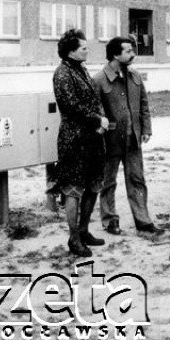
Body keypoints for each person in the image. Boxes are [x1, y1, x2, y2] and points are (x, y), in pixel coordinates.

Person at [93, 36, 162, 236]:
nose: (133, 54)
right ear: (116, 54)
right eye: (128, 51)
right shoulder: (99, 79)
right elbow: (97, 112)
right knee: (108, 181)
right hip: (110, 141)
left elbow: (144, 105)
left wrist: (146, 129)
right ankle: (110, 220)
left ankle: (143, 220)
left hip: (133, 140)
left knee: (137, 180)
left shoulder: (135, 76)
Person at [50, 29, 108, 257]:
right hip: (74, 140)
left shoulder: (81, 70)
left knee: (94, 184)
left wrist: (100, 120)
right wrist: (97, 119)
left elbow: (94, 99)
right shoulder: (62, 73)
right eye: (83, 47)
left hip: (93, 137)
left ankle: (83, 231)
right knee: (73, 189)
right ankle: (74, 238)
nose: (87, 50)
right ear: (71, 50)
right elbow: (70, 105)